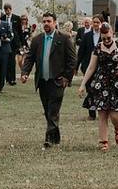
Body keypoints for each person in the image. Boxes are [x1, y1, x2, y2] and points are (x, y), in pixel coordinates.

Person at [19, 12, 77, 149]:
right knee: (47, 110)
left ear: (55, 22)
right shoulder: (37, 39)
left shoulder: (64, 39)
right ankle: (56, 137)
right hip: (42, 81)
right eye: (44, 21)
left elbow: (72, 60)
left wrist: (66, 78)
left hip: (57, 81)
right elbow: (30, 58)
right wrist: (25, 72)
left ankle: (49, 139)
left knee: (53, 110)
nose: (46, 24)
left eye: (49, 21)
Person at [77, 22, 118, 151]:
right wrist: (82, 85)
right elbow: (91, 68)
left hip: (117, 83)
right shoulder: (97, 48)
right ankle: (103, 141)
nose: (107, 40)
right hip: (101, 84)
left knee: (114, 115)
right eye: (104, 38)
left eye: (108, 37)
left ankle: (117, 128)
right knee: (102, 113)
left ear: (112, 34)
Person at [77, 15, 103, 120]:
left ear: (101, 23)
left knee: (100, 90)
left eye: (97, 22)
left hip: (102, 68)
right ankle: (92, 114)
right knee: (90, 89)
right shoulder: (86, 36)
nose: (95, 24)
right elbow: (81, 52)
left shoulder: (105, 36)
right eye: (94, 22)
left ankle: (102, 111)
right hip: (88, 67)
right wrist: (76, 66)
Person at [1, 3, 20, 84]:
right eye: (6, 10)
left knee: (12, 61)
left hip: (13, 43)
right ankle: (7, 78)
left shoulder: (16, 18)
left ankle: (12, 79)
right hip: (5, 42)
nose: (7, 11)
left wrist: (20, 43)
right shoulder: (2, 18)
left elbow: (19, 32)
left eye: (9, 9)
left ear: (11, 9)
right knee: (6, 60)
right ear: (4, 10)